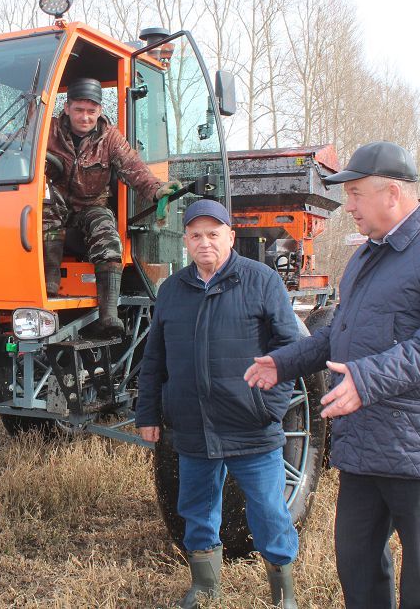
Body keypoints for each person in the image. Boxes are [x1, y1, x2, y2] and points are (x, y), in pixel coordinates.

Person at [244, 141, 420, 609]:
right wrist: (285, 361)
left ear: (391, 193)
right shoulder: (363, 260)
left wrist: (367, 379)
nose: (347, 206)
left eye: (355, 194)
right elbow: (339, 331)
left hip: (418, 447)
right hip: (362, 446)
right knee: (356, 561)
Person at [136, 199, 302, 609]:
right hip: (193, 426)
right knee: (196, 509)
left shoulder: (261, 280)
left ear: (230, 236)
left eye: (214, 234)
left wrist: (269, 406)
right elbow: (154, 358)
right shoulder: (172, 291)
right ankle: (205, 586)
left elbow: (292, 350)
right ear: (186, 242)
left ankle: (283, 592)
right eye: (196, 235)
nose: (204, 242)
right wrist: (149, 413)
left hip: (252, 426)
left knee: (268, 510)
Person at [43, 77, 178, 335]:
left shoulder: (111, 139)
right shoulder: (47, 132)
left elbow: (135, 170)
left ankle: (108, 312)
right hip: (56, 206)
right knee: (44, 203)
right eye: (79, 110)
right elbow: (18, 148)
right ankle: (49, 283)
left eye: (91, 111)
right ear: (67, 108)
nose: (85, 117)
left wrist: (157, 189)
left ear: (99, 112)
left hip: (91, 206)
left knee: (106, 230)